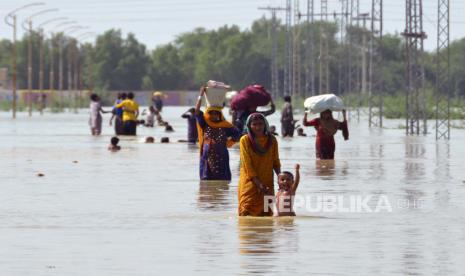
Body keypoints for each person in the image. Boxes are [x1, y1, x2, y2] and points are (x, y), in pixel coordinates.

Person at [238, 113, 281, 216]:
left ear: (265, 124)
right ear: (249, 126)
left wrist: (280, 178)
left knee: (267, 212)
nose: (258, 127)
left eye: (260, 124)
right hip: (250, 183)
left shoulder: (272, 140)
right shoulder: (245, 140)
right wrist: (257, 183)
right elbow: (247, 164)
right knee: (246, 210)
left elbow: (276, 161)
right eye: (254, 124)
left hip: (267, 181)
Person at [195, 86, 241, 181]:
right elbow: (196, 112)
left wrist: (229, 143)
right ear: (208, 114)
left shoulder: (225, 125)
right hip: (207, 157)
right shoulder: (204, 123)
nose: (214, 115)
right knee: (206, 182)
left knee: (222, 181)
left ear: (220, 114)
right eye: (211, 113)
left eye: (216, 113)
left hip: (222, 157)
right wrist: (200, 95)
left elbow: (238, 134)